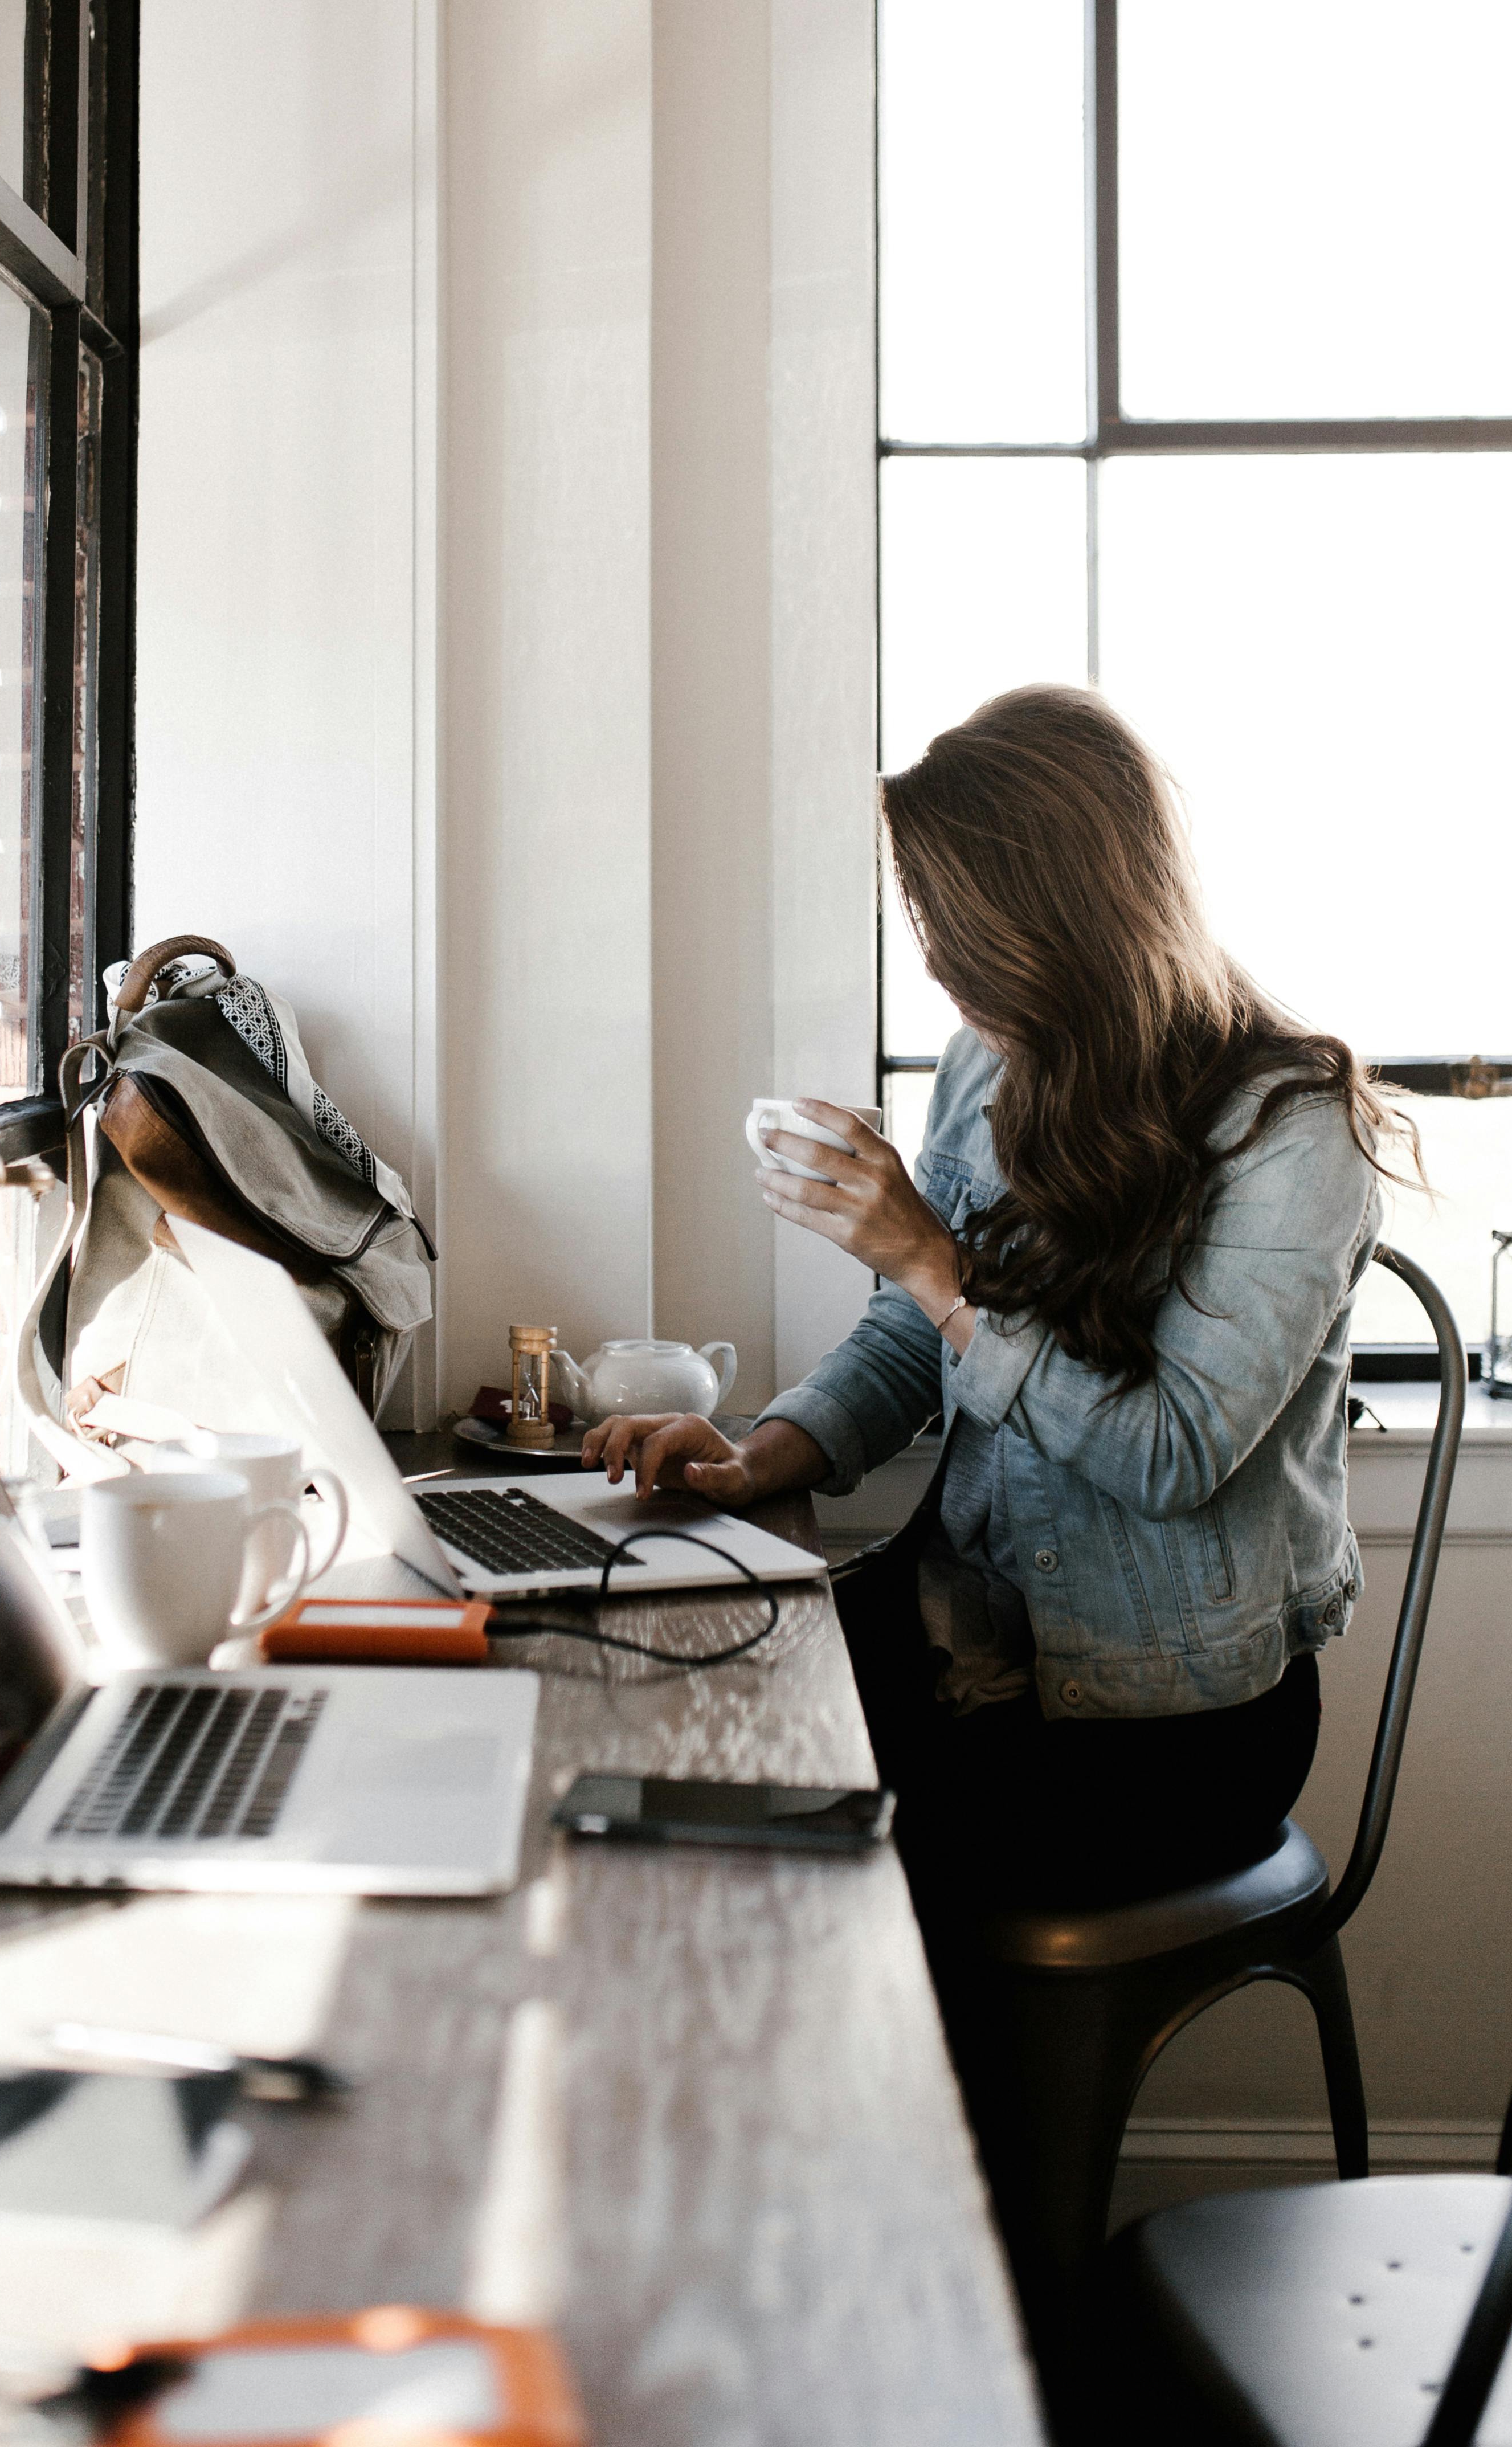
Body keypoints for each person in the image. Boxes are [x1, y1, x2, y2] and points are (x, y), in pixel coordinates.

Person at [582, 681, 1412, 2047]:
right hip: (961, 1636)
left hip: (1164, 1728)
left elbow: (1171, 1454)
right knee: (654, 1730)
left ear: (1063, 918)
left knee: (778, 1873)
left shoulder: (1291, 1128)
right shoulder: (989, 1066)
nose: (937, 966)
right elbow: (914, 1338)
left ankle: (910, 2225)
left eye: (952, 928)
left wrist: (929, 1258)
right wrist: (761, 1457)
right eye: (924, 924)